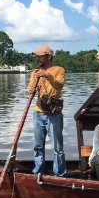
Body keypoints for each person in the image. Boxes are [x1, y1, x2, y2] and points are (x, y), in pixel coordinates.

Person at [27, 45, 66, 177]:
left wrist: (47, 75)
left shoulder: (59, 70)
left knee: (57, 148)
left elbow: (59, 85)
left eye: (40, 56)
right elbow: (30, 90)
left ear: (48, 57)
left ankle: (59, 174)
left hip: (54, 115)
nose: (37, 58)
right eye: (37, 56)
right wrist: (31, 88)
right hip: (38, 114)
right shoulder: (35, 72)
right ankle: (38, 171)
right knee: (38, 146)